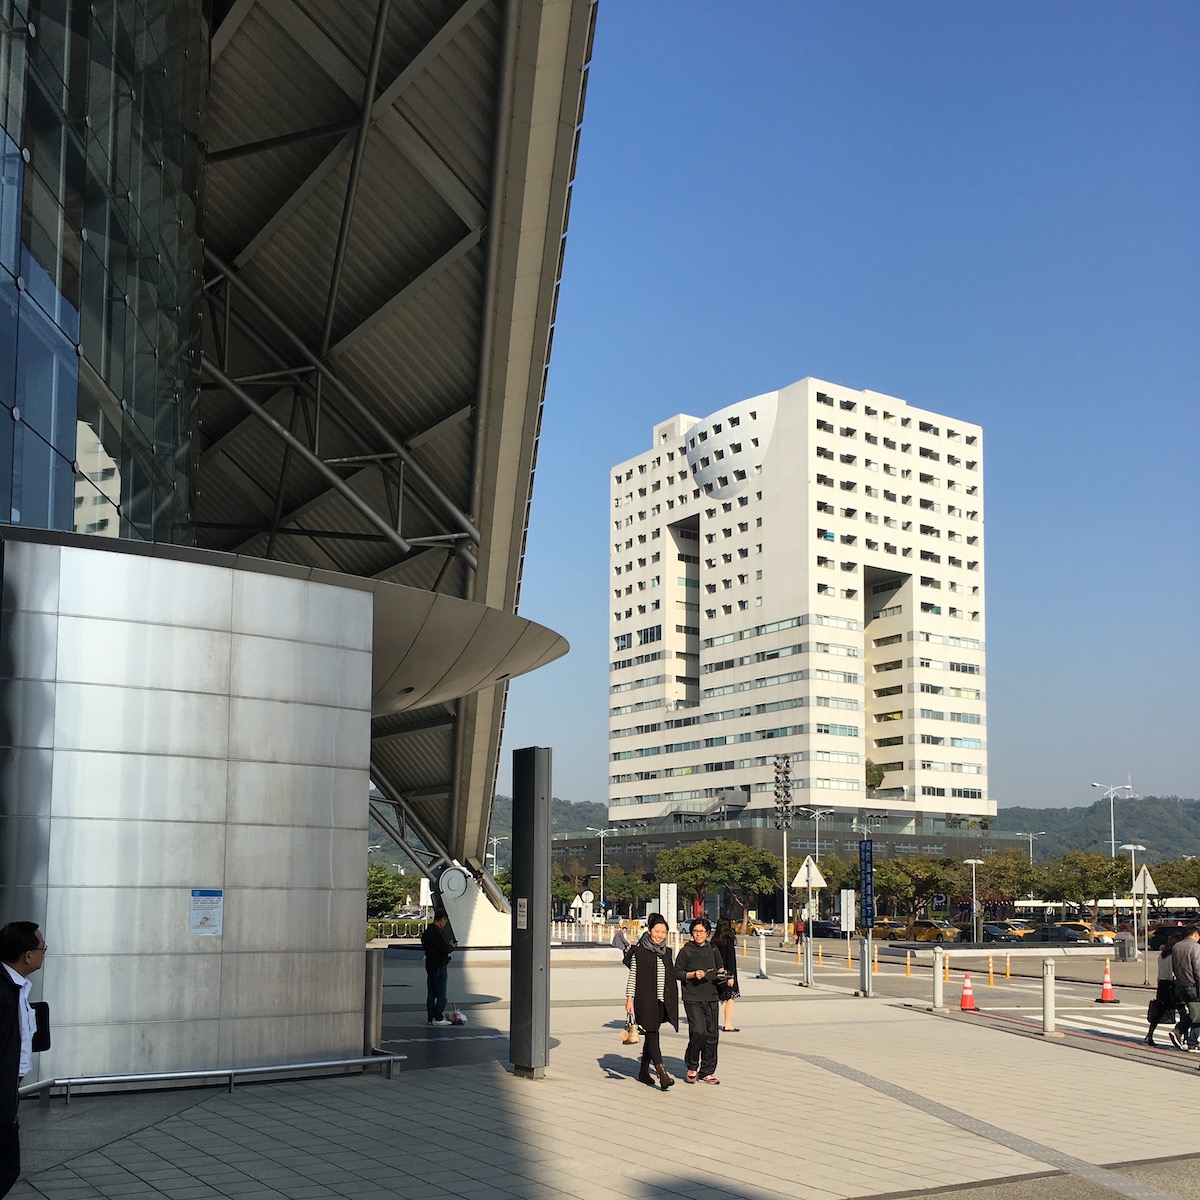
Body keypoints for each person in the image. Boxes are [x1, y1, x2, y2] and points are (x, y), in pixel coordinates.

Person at [1, 922, 48, 1199]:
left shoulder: (17, 987)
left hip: (8, 1093)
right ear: (28, 955)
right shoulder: (4, 990)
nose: (44, 954)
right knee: (7, 1168)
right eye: (43, 948)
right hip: (1, 1097)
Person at [623, 913, 678, 1091]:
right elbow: (633, 976)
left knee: (652, 1032)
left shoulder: (667, 952)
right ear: (650, 930)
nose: (660, 935)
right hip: (645, 999)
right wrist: (629, 999)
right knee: (653, 1032)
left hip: (663, 1000)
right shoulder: (640, 952)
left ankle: (643, 1071)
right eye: (657, 931)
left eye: (663, 932)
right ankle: (662, 1073)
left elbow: (671, 975)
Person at [675, 917, 723, 1084]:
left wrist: (725, 978)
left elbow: (720, 968)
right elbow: (677, 972)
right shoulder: (686, 951)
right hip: (692, 997)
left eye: (701, 932)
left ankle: (707, 1071)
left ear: (708, 933)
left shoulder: (713, 949)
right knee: (699, 1032)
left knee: (712, 1035)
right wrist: (692, 974)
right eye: (695, 931)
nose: (698, 935)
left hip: (711, 997)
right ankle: (692, 1066)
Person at [420, 909, 457, 1027]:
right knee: (441, 993)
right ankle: (438, 1017)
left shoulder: (427, 932)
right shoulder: (437, 932)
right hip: (439, 966)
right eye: (445, 921)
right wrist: (451, 946)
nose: (444, 924)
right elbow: (445, 949)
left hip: (430, 965)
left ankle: (431, 1017)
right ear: (441, 919)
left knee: (431, 994)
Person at [1147, 934, 1181, 1047]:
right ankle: (1181, 1033)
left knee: (1159, 1010)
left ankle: (1150, 1034)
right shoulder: (1174, 956)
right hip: (1172, 984)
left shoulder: (1162, 956)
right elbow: (1174, 973)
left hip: (1162, 984)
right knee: (1182, 1010)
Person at [1170, 927, 1200, 1052]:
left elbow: (1174, 967)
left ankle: (1184, 1034)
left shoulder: (1176, 947)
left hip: (1181, 984)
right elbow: (1198, 969)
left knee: (1194, 1012)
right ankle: (1186, 1036)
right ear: (1194, 934)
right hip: (1194, 985)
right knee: (1198, 1014)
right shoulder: (1195, 947)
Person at [712, 917, 740, 1032]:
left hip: (717, 972)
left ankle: (709, 1018)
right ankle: (727, 1023)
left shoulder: (714, 940)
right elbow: (731, 959)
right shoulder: (728, 940)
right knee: (730, 997)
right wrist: (731, 976)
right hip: (728, 972)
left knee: (720, 997)